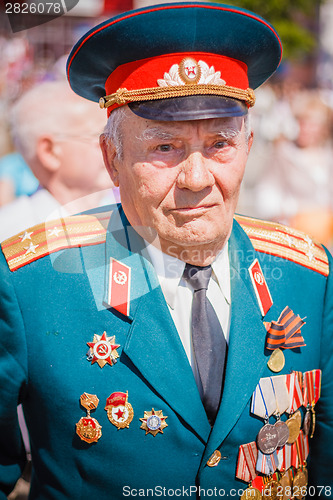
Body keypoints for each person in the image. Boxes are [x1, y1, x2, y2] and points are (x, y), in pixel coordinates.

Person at [0, 3, 332, 499]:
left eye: (220, 143)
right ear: (112, 160)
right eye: (164, 148)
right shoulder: (32, 283)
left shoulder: (309, 275)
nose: (197, 181)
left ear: (249, 147)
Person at [0, 80, 118, 241]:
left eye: (115, 136)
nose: (114, 147)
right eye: (99, 136)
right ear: (50, 152)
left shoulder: (130, 217)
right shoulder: (12, 235)